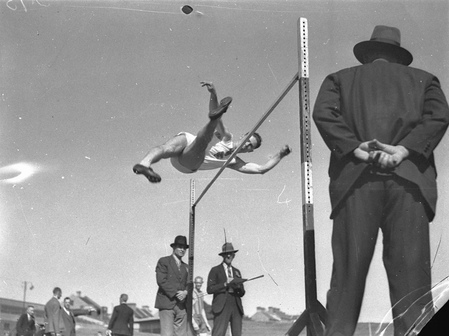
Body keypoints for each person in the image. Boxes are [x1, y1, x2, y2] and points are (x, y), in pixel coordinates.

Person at [312, 25, 449, 336]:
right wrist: (403, 149)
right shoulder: (425, 80)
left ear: (368, 55)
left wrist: (357, 149)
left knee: (346, 277)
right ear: (398, 57)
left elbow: (323, 114)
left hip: (356, 183)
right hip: (409, 184)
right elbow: (439, 117)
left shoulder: (339, 79)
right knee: (412, 281)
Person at [133, 81, 291, 183]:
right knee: (166, 148)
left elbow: (261, 169)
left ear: (249, 151)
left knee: (203, 142)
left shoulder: (234, 161)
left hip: (188, 163)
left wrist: (281, 155)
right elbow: (213, 109)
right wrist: (213, 94)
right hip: (189, 141)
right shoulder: (228, 137)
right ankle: (144, 164)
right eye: (248, 140)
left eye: (250, 146)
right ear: (244, 136)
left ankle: (215, 118)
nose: (247, 145)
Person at [207, 243, 245, 336]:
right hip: (222, 306)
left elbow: (242, 293)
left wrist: (238, 286)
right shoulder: (215, 270)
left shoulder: (237, 272)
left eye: (231, 254)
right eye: (226, 254)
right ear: (223, 255)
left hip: (236, 305)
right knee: (218, 333)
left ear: (234, 256)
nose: (229, 256)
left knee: (237, 334)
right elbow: (210, 289)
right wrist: (224, 284)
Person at [154, 235, 190, 336]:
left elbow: (189, 283)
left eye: (184, 248)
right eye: (179, 246)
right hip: (167, 304)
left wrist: (186, 292)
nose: (182, 249)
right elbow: (161, 281)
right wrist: (176, 293)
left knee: (182, 334)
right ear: (174, 247)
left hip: (181, 306)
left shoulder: (186, 267)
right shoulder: (163, 261)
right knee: (167, 334)